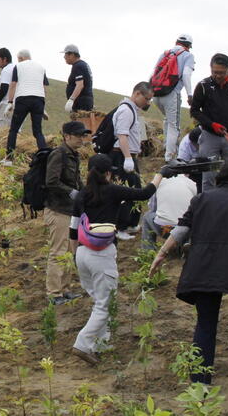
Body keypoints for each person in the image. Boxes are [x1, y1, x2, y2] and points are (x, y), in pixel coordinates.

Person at [149, 157, 228, 385]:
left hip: (205, 266)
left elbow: (182, 228)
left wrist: (161, 254)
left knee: (206, 321)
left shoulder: (202, 198)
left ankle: (200, 379)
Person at [70, 155, 163, 365]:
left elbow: (73, 231)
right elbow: (145, 193)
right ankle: (82, 344)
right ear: (108, 173)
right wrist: (161, 174)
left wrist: (75, 257)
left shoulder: (81, 195)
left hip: (82, 254)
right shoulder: (112, 190)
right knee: (106, 303)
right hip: (101, 254)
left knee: (98, 301)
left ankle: (101, 344)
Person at [44, 121, 91, 304]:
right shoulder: (59, 154)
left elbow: (76, 181)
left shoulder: (73, 155)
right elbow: (51, 181)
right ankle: (54, 293)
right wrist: (71, 192)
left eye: (83, 135)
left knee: (69, 251)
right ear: (67, 136)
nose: (82, 139)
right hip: (58, 210)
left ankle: (65, 289)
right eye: (78, 135)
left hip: (70, 211)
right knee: (58, 251)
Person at [190, 53, 228, 191]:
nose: (218, 75)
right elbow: (195, 111)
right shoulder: (203, 86)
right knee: (208, 175)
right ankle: (208, 204)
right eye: (214, 72)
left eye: (221, 72)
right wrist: (211, 124)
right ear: (210, 68)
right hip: (210, 136)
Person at [110, 82, 155, 239]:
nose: (148, 103)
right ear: (137, 94)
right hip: (122, 156)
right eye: (147, 98)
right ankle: (120, 228)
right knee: (126, 191)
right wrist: (128, 158)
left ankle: (131, 224)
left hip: (130, 156)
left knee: (135, 189)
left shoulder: (133, 111)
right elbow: (122, 135)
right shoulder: (126, 110)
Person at [152, 35, 196, 161]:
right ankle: (170, 157)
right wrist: (189, 94)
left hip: (156, 93)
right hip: (171, 93)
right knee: (174, 125)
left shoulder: (166, 53)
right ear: (188, 46)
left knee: (167, 120)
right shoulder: (188, 55)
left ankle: (166, 148)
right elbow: (186, 75)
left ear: (177, 42)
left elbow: (154, 72)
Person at [3, 49, 49, 162]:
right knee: (38, 131)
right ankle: (45, 158)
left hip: (23, 98)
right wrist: (43, 106)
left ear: (21, 58)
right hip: (38, 99)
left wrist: (10, 102)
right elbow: (44, 87)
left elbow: (13, 84)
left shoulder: (18, 66)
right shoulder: (41, 67)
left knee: (14, 129)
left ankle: (9, 159)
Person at [140, 171, 198, 251]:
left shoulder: (159, 182)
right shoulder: (192, 184)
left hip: (164, 228)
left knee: (147, 216)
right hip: (184, 229)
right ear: (186, 174)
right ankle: (186, 242)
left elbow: (152, 208)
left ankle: (148, 250)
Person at [62, 44, 94, 113]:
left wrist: (71, 99)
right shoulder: (83, 64)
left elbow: (80, 85)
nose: (64, 57)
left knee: (79, 123)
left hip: (81, 102)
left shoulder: (78, 66)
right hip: (85, 101)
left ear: (72, 55)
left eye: (66, 54)